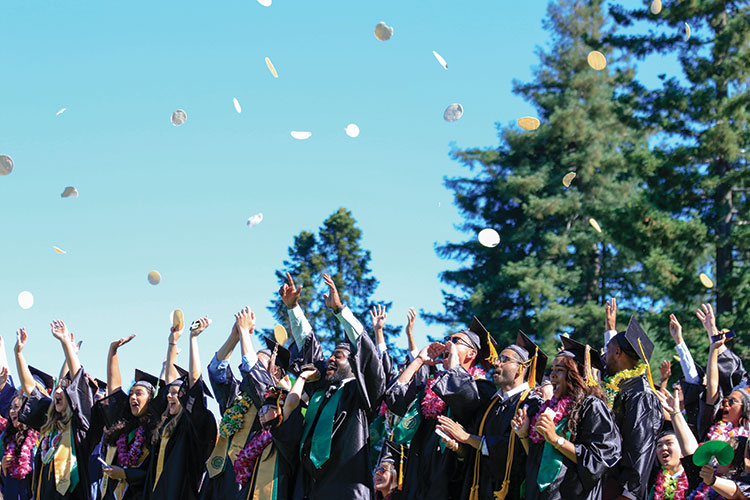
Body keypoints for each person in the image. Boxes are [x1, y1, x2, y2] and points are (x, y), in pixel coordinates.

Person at [293, 273, 386, 499]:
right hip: (309, 488)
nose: (331, 359)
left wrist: (339, 310)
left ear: (355, 364)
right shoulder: (321, 391)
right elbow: (308, 347)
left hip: (346, 489)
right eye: (331, 355)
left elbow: (367, 353)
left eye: (339, 356)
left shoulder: (362, 393)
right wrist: (293, 308)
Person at [384, 317, 496, 500]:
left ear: (471, 353)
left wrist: (454, 365)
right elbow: (395, 400)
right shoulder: (432, 387)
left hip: (450, 478)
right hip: (418, 473)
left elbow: (464, 398)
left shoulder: (482, 388)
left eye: (455, 341)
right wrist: (419, 361)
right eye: (447, 339)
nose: (447, 344)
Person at [434, 331, 547, 500]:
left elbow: (516, 449)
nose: (496, 362)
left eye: (505, 359)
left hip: (511, 491)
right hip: (478, 489)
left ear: (521, 369)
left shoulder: (531, 404)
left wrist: (467, 438)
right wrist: (460, 449)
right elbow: (473, 451)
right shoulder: (490, 405)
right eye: (498, 358)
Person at [513, 335, 621, 500]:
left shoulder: (591, 406)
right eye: (552, 369)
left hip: (571, 493)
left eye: (560, 370)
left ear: (575, 374)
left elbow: (599, 460)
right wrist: (523, 435)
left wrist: (556, 439)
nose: (552, 375)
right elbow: (540, 460)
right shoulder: (548, 408)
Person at [15, 322, 100, 500]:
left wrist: (65, 343)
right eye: (57, 388)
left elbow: (77, 380)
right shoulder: (50, 423)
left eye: (64, 389)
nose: (58, 391)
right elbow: (30, 388)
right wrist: (18, 353)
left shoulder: (80, 424)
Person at [142, 317, 217, 500]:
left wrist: (193, 339)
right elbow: (170, 380)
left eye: (176, 394)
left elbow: (194, 382)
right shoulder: (166, 426)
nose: (169, 396)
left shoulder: (193, 426)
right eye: (169, 393)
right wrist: (172, 342)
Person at [602, 301, 664, 500]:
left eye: (608, 350)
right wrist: (610, 330)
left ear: (618, 353)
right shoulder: (621, 386)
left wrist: (629, 493)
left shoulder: (640, 393)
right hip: (609, 482)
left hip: (621, 491)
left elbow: (641, 447)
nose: (605, 356)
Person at [96, 331, 165, 500]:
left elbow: (154, 473)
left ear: (151, 399)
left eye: (139, 394)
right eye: (131, 393)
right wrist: (113, 351)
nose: (133, 397)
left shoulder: (157, 431)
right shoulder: (125, 428)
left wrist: (125, 474)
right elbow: (114, 390)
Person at [695, 305, 750, 443]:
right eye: (726, 401)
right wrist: (712, 332)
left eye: (731, 402)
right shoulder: (712, 425)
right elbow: (728, 370)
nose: (725, 404)